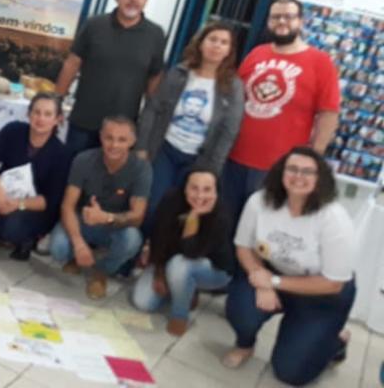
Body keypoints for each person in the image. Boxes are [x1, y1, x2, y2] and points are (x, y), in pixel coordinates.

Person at [222, 147, 355, 386]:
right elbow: (243, 246)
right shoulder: (259, 201)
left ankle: (335, 341)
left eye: (308, 172)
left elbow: (334, 283)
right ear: (280, 172)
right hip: (271, 273)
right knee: (241, 309)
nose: (298, 176)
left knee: (290, 374)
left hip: (321, 293)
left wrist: (273, 282)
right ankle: (245, 345)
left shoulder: (334, 218)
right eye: (292, 169)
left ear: (321, 178)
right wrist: (261, 280)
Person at [222, 0, 341, 225]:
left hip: (280, 167)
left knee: (262, 230)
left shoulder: (320, 62)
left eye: (289, 16)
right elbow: (236, 98)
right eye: (276, 17)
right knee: (225, 226)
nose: (282, 21)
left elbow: (329, 113)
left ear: (301, 21)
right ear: (268, 21)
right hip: (235, 158)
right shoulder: (256, 54)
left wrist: (314, 158)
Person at [136, 22, 243, 236]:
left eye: (224, 42)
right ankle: (138, 250)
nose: (217, 46)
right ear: (201, 43)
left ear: (229, 51)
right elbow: (153, 108)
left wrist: (212, 170)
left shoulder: (233, 86)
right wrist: (142, 146)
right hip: (166, 150)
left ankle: (162, 253)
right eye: (212, 39)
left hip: (199, 159)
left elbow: (228, 132)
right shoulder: (179, 73)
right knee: (153, 204)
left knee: (182, 212)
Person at [55, 0, 166, 156]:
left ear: (146, 0)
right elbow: (72, 63)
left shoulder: (156, 34)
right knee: (73, 168)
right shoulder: (94, 25)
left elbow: (155, 77)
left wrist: (149, 121)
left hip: (122, 130)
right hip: (84, 121)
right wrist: (57, 100)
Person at [49, 117, 150, 299]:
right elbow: (67, 206)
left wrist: (106, 217)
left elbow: (138, 216)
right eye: (109, 138)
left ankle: (101, 272)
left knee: (132, 240)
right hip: (83, 221)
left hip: (114, 226)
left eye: (122, 140)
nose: (114, 145)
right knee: (58, 248)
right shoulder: (83, 159)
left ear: (132, 141)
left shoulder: (141, 168)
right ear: (101, 136)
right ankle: (80, 256)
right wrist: (79, 244)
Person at [130, 167, 233, 336]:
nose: (200, 195)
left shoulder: (221, 214)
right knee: (143, 302)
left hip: (214, 270)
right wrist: (159, 273)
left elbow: (191, 253)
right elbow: (158, 237)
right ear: (185, 188)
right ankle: (183, 288)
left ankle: (179, 315)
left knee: (180, 265)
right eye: (194, 188)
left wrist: (193, 217)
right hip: (171, 261)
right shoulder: (171, 200)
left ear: (216, 192)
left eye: (207, 189)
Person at [0, 92, 72, 260]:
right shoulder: (13, 131)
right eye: (36, 112)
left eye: (48, 114)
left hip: (32, 207)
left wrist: (18, 204)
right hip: (3, 192)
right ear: (28, 113)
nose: (41, 118)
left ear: (57, 119)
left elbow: (51, 200)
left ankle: (25, 240)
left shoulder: (62, 154)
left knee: (11, 226)